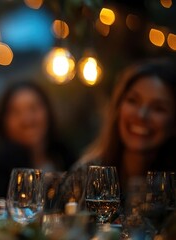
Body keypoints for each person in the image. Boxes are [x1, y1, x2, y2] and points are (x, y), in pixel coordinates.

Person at [56, 59, 176, 215]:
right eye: (133, 101)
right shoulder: (84, 175)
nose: (141, 115)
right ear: (118, 108)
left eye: (158, 108)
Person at [0, 81, 75, 198]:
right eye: (16, 112)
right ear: (3, 121)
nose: (27, 120)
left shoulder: (67, 160)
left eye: (33, 109)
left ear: (48, 112)